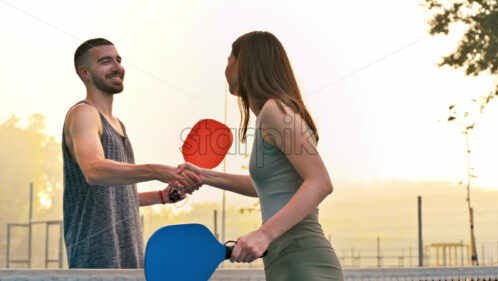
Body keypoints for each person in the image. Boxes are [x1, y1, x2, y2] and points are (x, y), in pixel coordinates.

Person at [179, 31, 344, 280]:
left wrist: (264, 233)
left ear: (244, 64)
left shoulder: (275, 110)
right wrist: (204, 175)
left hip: (303, 257)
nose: (225, 70)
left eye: (229, 59)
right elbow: (270, 188)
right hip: (283, 257)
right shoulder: (271, 113)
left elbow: (320, 183)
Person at [62, 38, 201, 268]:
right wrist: (157, 170)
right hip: (98, 262)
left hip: (130, 256)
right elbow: (94, 171)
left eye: (118, 60)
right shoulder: (83, 114)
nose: (117, 67)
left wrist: (162, 197)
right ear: (84, 72)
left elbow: (114, 199)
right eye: (105, 61)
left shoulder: (118, 125)